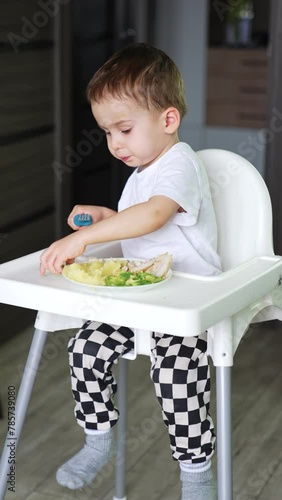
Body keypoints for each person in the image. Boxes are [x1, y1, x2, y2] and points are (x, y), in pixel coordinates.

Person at [40, 42, 221, 500]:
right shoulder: (141, 172)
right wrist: (102, 219)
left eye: (123, 128)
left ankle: (196, 477)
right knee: (85, 348)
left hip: (185, 302)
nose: (115, 143)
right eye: (106, 133)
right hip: (140, 295)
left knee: (174, 379)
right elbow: (138, 227)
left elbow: (154, 216)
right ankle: (98, 441)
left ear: (168, 120)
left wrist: (81, 240)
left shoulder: (179, 164)